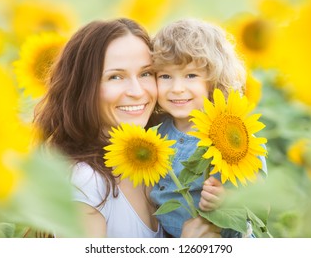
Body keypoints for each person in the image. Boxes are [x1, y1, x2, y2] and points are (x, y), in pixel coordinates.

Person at [33, 18, 221, 238]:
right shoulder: (88, 183)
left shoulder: (162, 158)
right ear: (84, 88)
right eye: (115, 77)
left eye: (146, 73)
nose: (137, 91)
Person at [150, 18, 268, 238]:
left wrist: (228, 201)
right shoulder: (156, 131)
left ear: (213, 81)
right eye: (165, 76)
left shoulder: (232, 134)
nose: (176, 88)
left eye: (191, 75)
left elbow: (260, 200)